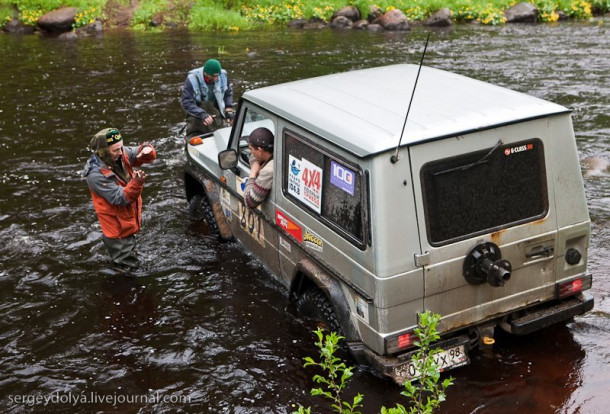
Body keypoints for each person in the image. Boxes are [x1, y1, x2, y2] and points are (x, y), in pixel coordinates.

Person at [83, 128, 157, 270]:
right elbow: (121, 198)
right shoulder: (95, 175)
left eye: (121, 147)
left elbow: (140, 153)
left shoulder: (120, 154)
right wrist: (137, 182)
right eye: (116, 150)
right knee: (128, 271)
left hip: (127, 221)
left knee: (130, 262)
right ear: (103, 152)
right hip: (117, 230)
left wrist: (147, 149)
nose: (121, 152)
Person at [180, 58, 234, 138]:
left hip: (216, 112)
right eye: (213, 76)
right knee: (194, 140)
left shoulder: (223, 75)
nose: (215, 79)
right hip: (197, 116)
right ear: (205, 73)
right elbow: (186, 102)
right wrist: (202, 114)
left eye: (217, 76)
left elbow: (228, 92)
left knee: (221, 137)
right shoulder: (192, 79)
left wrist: (228, 109)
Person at [244, 127, 274, 209]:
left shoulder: (268, 171)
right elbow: (253, 158)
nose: (251, 153)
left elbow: (249, 202)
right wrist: (256, 163)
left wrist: (252, 174)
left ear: (260, 151)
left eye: (251, 149)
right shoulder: (275, 152)